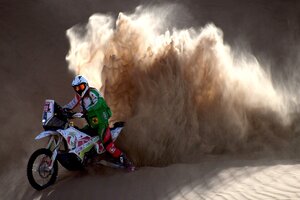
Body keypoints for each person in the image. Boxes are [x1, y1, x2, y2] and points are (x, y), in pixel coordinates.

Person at [63, 75, 133, 170]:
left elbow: (99, 102)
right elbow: (70, 105)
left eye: (81, 87)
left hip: (102, 123)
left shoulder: (92, 92)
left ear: (86, 85)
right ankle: (87, 158)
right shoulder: (78, 97)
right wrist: (62, 109)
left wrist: (88, 110)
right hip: (92, 125)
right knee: (80, 134)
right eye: (77, 88)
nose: (79, 89)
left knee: (107, 144)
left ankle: (126, 162)